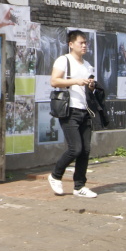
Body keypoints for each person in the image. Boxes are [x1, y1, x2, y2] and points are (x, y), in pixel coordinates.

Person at [47, 30, 101, 198]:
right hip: (69, 110)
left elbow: (89, 89)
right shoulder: (64, 60)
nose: (84, 46)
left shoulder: (87, 65)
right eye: (81, 43)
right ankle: (55, 175)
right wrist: (76, 81)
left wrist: (91, 85)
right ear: (71, 44)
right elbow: (54, 81)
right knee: (75, 149)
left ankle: (79, 186)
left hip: (85, 110)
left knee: (85, 150)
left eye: (85, 43)